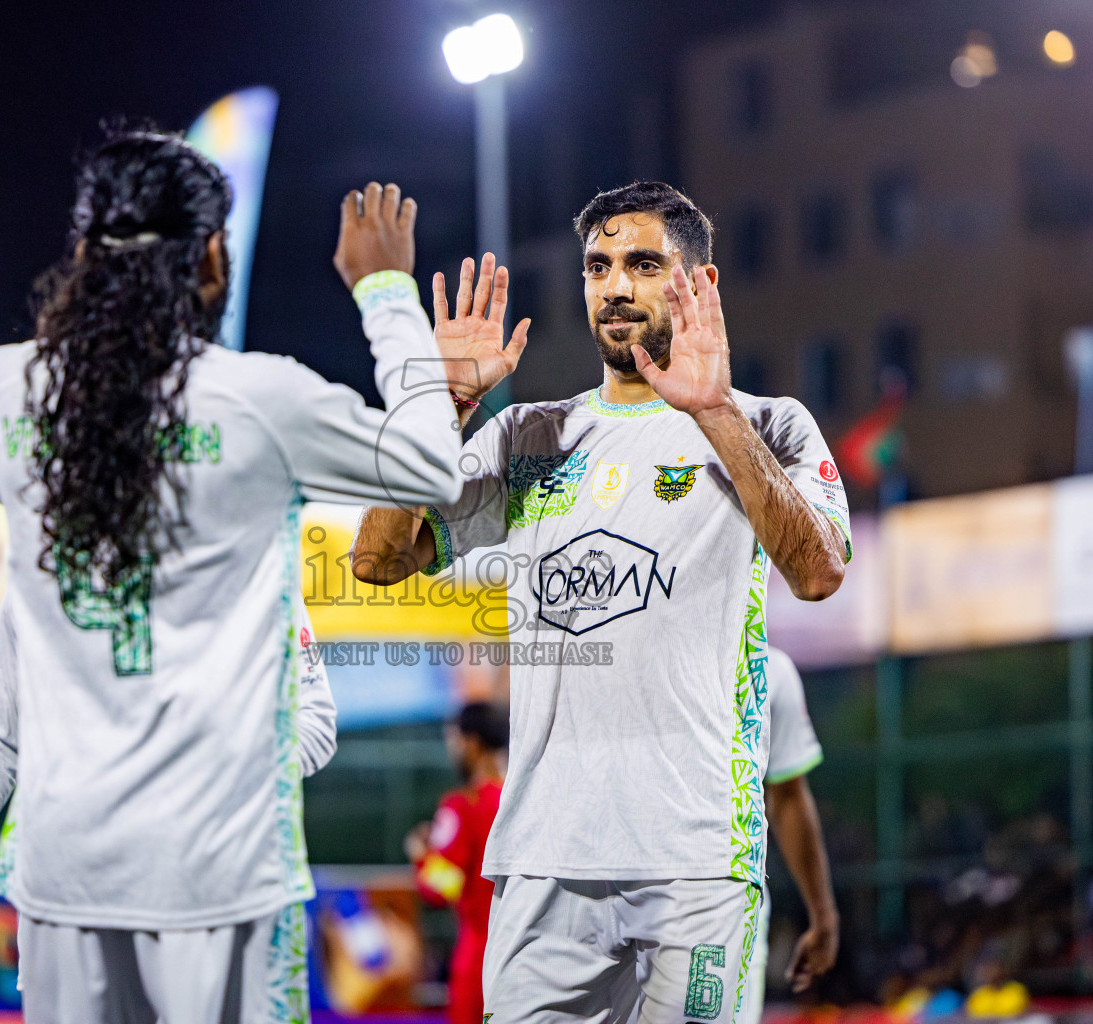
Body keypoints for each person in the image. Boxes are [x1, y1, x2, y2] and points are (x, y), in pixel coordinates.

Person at [0, 126, 488, 1023]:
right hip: (220, 880)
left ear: (83, 255)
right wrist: (384, 290)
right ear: (212, 257)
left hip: (65, 884)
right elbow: (431, 467)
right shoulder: (260, 400)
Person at [351, 181, 850, 1024]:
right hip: (544, 861)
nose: (615, 286)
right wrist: (439, 410)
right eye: (598, 266)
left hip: (694, 860)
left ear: (699, 283)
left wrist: (714, 410)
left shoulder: (770, 424)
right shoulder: (526, 436)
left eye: (643, 264)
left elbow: (818, 571)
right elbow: (375, 561)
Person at [0, 595, 337, 1023]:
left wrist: (213, 778)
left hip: (206, 892)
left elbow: (312, 720)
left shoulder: (250, 566)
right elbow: (1, 737)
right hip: (67, 893)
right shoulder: (36, 577)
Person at [737, 647, 837, 1024]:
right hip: (587, 881)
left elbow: (788, 796)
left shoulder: (770, 670)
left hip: (723, 895)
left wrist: (823, 915)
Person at [405, 702, 508, 1024]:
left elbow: (442, 888)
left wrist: (423, 857)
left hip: (477, 961)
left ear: (471, 742)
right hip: (525, 956)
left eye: (452, 740)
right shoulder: (519, 800)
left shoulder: (461, 806)